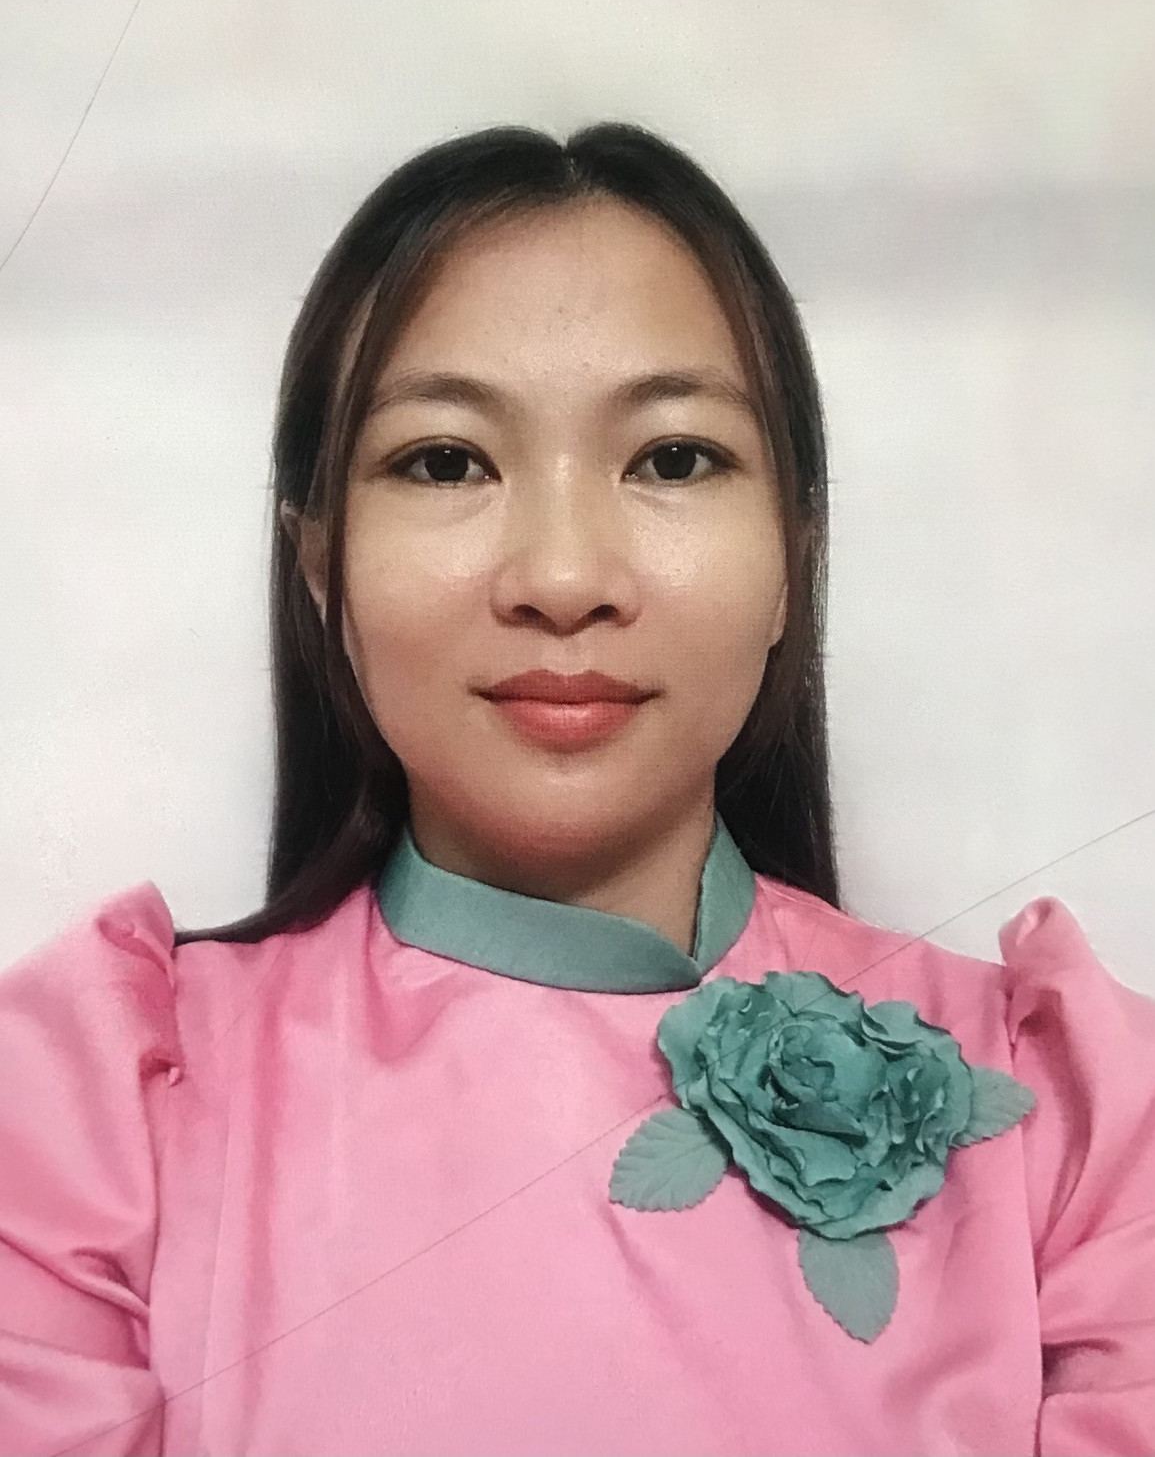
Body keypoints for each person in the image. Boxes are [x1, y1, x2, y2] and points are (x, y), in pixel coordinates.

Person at [1, 123, 1151, 1457]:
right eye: (446, 461)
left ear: (795, 556)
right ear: (319, 566)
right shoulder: (88, 1120)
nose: (561, 577)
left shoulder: (1078, 1128)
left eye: (673, 458)